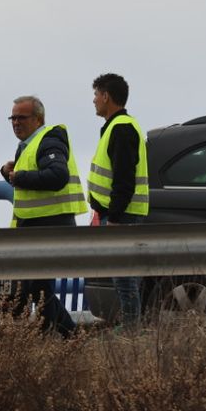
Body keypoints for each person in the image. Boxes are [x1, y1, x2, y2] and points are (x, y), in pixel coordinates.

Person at [0, 95, 84, 337]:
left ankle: (68, 333)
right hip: (35, 226)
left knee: (35, 287)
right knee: (34, 287)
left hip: (51, 224)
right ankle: (57, 334)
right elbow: (27, 180)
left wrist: (19, 176)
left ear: (38, 119)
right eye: (12, 117)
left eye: (21, 117)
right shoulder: (28, 144)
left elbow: (57, 176)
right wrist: (8, 173)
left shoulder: (49, 141)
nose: (16, 122)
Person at [86, 72, 148, 327]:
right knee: (123, 273)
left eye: (96, 95)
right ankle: (131, 326)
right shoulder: (117, 126)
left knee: (124, 275)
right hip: (117, 213)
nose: (93, 101)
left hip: (121, 215)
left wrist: (115, 217)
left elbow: (124, 179)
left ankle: (132, 328)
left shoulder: (121, 128)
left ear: (106, 96)